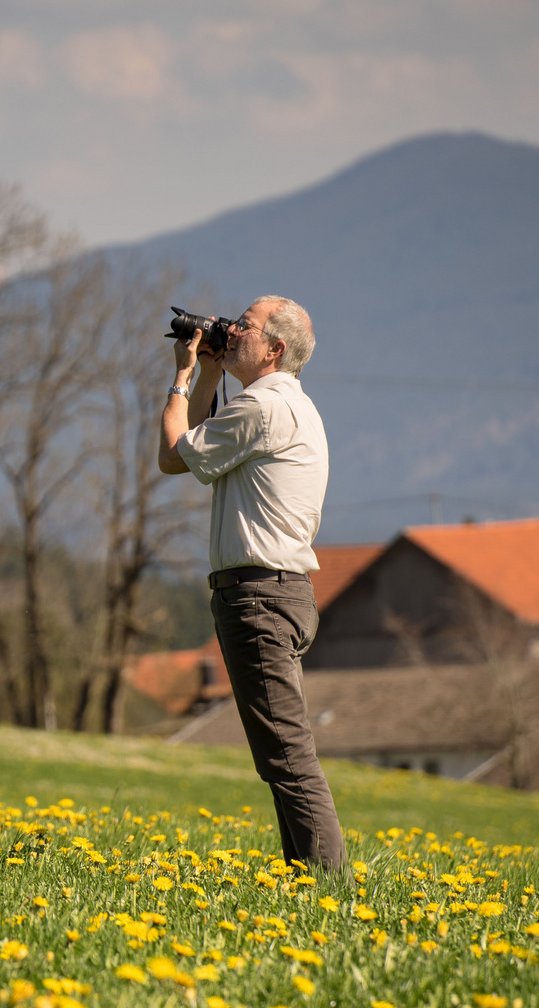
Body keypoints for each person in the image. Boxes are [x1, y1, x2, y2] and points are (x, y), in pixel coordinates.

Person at [157, 295, 346, 873]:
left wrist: (183, 379)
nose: (233, 329)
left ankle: (328, 891)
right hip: (275, 592)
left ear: (276, 348)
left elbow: (172, 456)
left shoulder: (262, 407)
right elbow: (197, 450)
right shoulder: (285, 405)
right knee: (280, 757)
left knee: (288, 757)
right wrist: (215, 366)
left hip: (258, 596)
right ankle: (305, 880)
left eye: (246, 326)